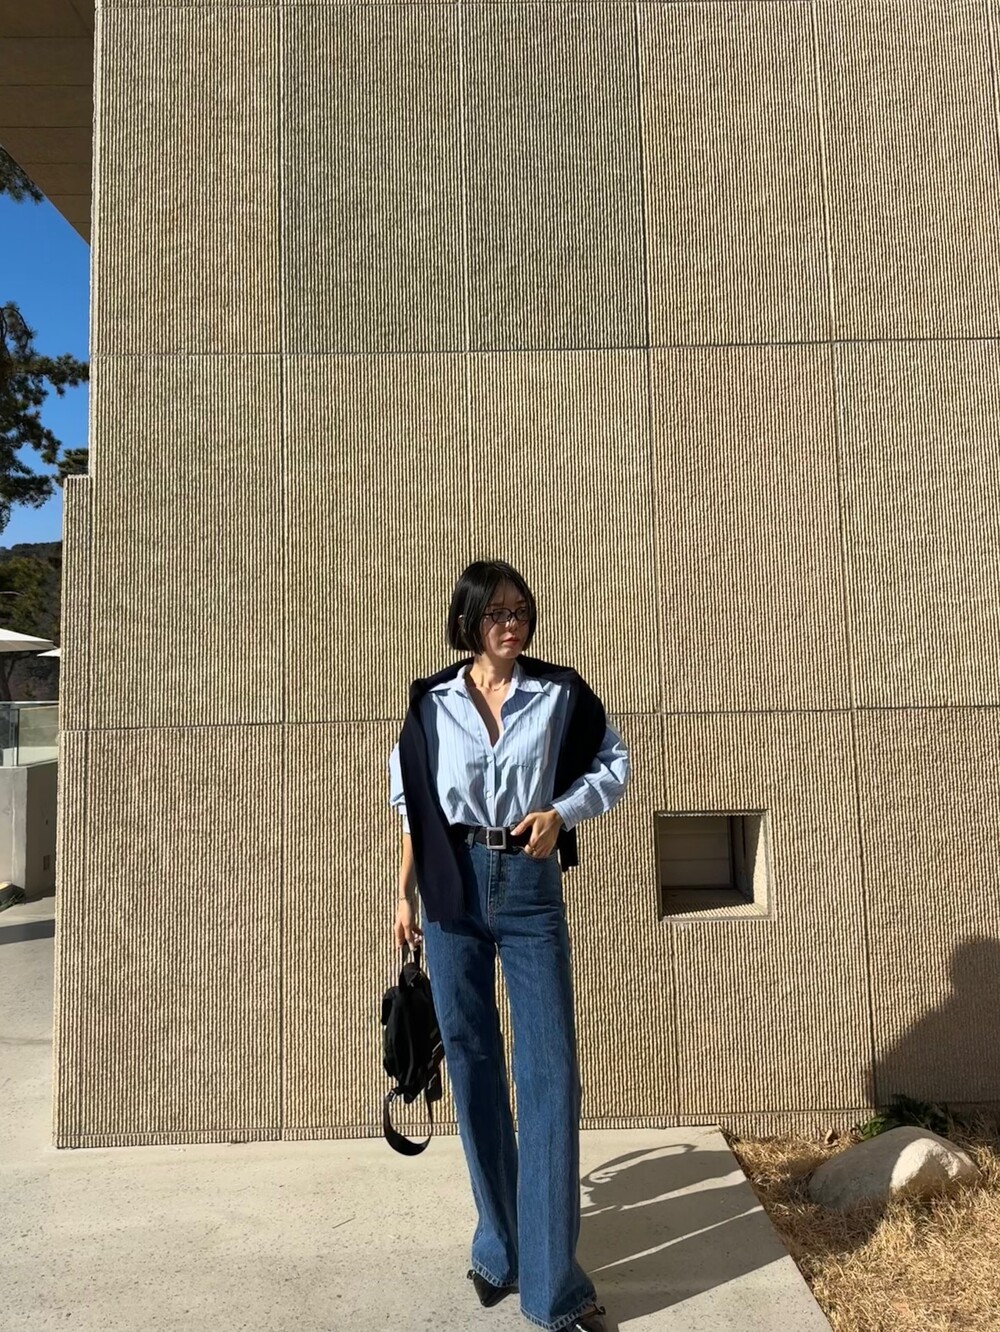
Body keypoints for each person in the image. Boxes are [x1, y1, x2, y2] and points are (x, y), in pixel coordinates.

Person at [387, 559, 630, 1332]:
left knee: (549, 1070)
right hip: (450, 883)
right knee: (471, 1062)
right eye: (495, 612)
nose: (511, 623)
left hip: (527, 883)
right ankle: (499, 1246)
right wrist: (404, 893)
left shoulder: (560, 692)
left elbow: (614, 764)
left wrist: (563, 811)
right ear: (467, 621)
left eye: (520, 610)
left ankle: (555, 1290)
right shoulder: (430, 702)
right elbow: (415, 804)